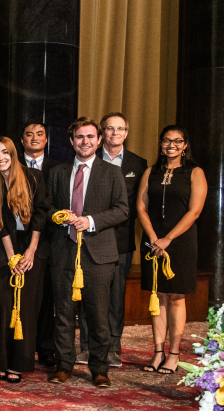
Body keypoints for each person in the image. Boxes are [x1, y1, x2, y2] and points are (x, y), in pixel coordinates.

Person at [46, 117, 127, 388]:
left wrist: (90, 221)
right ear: (71, 141)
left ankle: (100, 368)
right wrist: (60, 215)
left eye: (90, 137)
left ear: (99, 140)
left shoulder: (111, 172)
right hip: (64, 252)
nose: (85, 142)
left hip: (99, 255)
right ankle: (64, 365)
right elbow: (46, 210)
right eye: (80, 137)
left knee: (98, 315)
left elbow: (122, 210)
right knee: (64, 314)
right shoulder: (58, 172)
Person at [76, 112, 147, 368]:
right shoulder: (87, 161)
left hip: (121, 241)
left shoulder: (138, 164)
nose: (114, 133)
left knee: (116, 296)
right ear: (101, 134)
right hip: (89, 240)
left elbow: (135, 206)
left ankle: (113, 347)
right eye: (109, 129)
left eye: (119, 129)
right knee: (88, 295)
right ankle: (86, 347)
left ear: (126, 132)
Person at [138, 125, 206, 374]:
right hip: (153, 241)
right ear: (161, 143)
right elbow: (141, 208)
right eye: (167, 141)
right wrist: (155, 238)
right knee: (157, 297)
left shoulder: (194, 172)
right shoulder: (150, 172)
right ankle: (158, 353)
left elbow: (195, 211)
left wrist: (168, 239)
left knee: (176, 297)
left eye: (178, 141)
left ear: (185, 145)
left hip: (181, 242)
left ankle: (174, 355)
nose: (172, 145)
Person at [0, 137, 49, 383]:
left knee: (26, 307)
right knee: (4, 307)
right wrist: (11, 256)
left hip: (33, 244)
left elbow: (41, 215)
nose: (0, 158)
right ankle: (3, 361)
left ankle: (19, 363)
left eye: (5, 153)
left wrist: (30, 251)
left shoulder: (33, 177)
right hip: (5, 246)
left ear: (13, 154)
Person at [18, 121, 61, 368]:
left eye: (40, 134)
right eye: (29, 134)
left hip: (50, 240)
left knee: (46, 297)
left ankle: (46, 348)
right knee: (23, 298)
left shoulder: (59, 168)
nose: (34, 138)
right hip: (18, 238)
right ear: (22, 140)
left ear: (46, 140)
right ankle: (21, 346)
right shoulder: (13, 165)